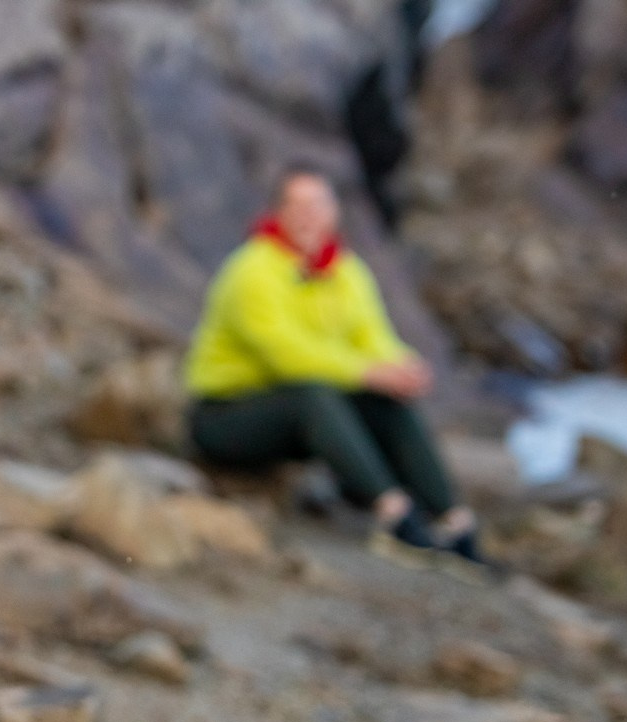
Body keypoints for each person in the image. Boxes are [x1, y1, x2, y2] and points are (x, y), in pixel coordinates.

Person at [184, 166, 481, 562]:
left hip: (297, 420)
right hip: (224, 418)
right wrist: (366, 372)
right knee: (313, 394)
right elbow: (287, 355)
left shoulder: (348, 271)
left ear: (335, 211)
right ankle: (393, 514)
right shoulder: (251, 270)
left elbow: (374, 338)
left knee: (385, 400)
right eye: (297, 204)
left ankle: (454, 520)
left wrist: (402, 367)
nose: (309, 214)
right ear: (278, 212)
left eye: (318, 203)